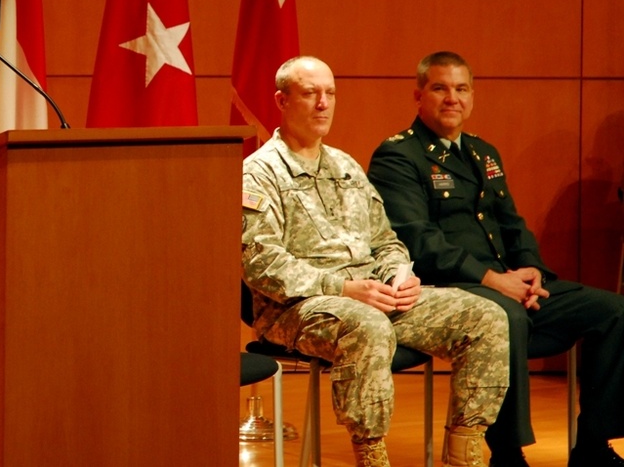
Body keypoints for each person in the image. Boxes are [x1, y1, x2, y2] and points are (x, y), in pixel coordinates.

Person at [242, 56, 509, 467]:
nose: (322, 104)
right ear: (281, 100)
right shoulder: (259, 173)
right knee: (366, 326)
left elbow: (386, 239)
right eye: (310, 93)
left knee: (484, 317)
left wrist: (399, 276)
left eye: (330, 93)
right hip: (297, 308)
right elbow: (262, 263)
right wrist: (345, 289)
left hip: (372, 293)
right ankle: (371, 456)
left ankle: (465, 449)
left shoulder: (345, 165)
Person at [368, 51, 624, 467]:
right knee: (507, 318)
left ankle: (593, 445)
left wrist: (533, 273)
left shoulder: (482, 152)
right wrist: (493, 279)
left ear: (472, 96)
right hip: (452, 288)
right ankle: (508, 452)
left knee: (613, 311)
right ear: (418, 95)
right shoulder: (399, 155)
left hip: (505, 282)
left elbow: (512, 224)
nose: (452, 98)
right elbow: (419, 241)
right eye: (440, 88)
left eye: (461, 88)